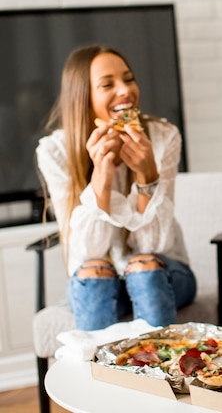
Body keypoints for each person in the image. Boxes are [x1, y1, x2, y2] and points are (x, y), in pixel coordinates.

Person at [36, 44, 196, 331]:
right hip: (98, 279)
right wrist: (102, 178)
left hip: (164, 273)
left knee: (144, 267)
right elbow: (87, 252)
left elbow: (154, 247)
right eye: (108, 84)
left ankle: (157, 373)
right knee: (93, 275)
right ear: (83, 99)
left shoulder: (163, 136)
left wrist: (147, 176)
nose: (125, 91)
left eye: (129, 79)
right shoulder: (55, 151)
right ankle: (97, 374)